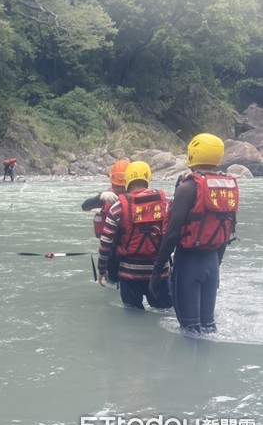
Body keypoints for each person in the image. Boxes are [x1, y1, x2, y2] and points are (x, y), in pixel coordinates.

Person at [149, 133, 238, 334]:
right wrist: (217, 266)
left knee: (189, 329)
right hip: (212, 262)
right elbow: (226, 229)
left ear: (192, 155)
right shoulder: (227, 187)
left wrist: (157, 269)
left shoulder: (187, 187)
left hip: (189, 263)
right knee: (208, 327)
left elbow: (171, 234)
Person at [97, 161, 173, 310]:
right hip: (159, 273)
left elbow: (105, 243)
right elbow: (174, 235)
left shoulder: (117, 207)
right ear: (147, 179)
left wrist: (101, 270)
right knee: (165, 312)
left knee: (133, 316)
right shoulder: (165, 204)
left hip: (129, 275)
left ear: (127, 181)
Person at [82, 159, 130, 283]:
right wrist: (101, 197)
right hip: (111, 252)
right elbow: (85, 206)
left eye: (121, 187)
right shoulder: (108, 196)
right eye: (115, 186)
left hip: (130, 251)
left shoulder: (137, 197)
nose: (118, 190)